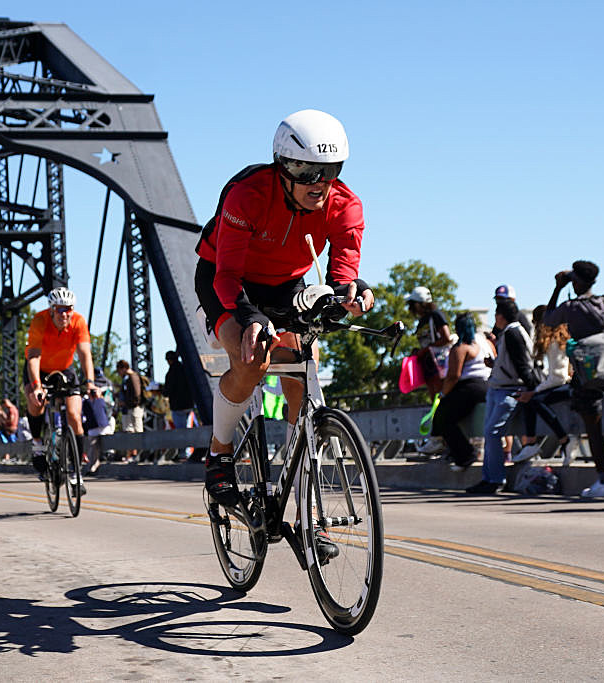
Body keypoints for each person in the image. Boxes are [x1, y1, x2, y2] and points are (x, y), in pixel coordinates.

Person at [193, 109, 373, 522]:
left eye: (328, 170)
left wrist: (350, 295)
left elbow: (342, 274)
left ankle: (305, 504)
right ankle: (219, 454)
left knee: (301, 377)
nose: (318, 183)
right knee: (252, 360)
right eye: (304, 170)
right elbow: (228, 276)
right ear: (282, 167)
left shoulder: (346, 206)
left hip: (286, 284)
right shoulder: (248, 194)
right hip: (228, 280)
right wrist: (250, 318)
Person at [542, 260, 604, 498]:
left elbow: (548, 320)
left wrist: (557, 287)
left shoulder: (571, 307)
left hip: (587, 374)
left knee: (593, 428)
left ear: (576, 281)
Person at [23, 287, 96, 482]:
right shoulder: (40, 321)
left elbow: (84, 354)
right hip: (40, 367)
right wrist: (37, 385)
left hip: (65, 369)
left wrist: (90, 382)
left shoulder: (78, 322)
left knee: (73, 415)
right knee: (35, 401)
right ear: (51, 309)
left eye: (68, 309)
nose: (65, 313)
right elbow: (34, 357)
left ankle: (76, 468)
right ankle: (38, 443)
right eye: (60, 309)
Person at [466, 299, 539, 494]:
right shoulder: (511, 332)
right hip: (499, 388)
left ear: (500, 316)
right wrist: (497, 364)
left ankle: (495, 479)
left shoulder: (513, 333)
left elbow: (523, 365)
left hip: (509, 390)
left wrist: (532, 388)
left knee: (492, 433)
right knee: (490, 433)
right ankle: (489, 478)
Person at [430, 313, 491, 470]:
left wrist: (442, 394)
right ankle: (459, 451)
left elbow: (453, 376)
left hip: (469, 387)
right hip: (486, 386)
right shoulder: (484, 344)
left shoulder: (460, 348)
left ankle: (465, 456)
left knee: (444, 419)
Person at [513, 306, 571, 464]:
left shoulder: (554, 342)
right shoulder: (559, 339)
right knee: (530, 398)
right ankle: (531, 443)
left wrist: (535, 391)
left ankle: (564, 439)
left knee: (534, 399)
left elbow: (558, 378)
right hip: (566, 383)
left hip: (568, 385)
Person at [406, 286, 452, 401]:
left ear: (419, 304)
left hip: (440, 364)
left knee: (441, 396)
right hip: (429, 364)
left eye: (413, 304)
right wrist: (418, 351)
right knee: (434, 397)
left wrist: (425, 350)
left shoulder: (436, 315)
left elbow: (446, 338)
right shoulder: (422, 320)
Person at [114, 360, 144, 462]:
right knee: (130, 431)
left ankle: (137, 455)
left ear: (123, 368)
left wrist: (126, 403)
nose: (119, 374)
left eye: (119, 371)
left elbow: (136, 395)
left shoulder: (133, 377)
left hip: (134, 408)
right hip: (130, 408)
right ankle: (131, 455)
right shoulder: (127, 379)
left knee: (136, 431)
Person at [163, 351, 195, 429]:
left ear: (169, 360)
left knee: (181, 430)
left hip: (177, 406)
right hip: (189, 404)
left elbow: (167, 391)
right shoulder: (186, 369)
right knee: (188, 428)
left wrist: (161, 390)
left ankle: (185, 441)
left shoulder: (170, 373)